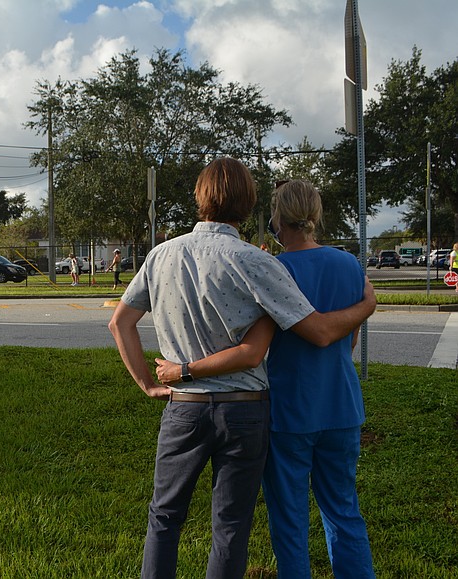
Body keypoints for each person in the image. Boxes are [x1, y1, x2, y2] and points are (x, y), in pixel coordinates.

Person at [108, 158, 376, 579]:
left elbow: (119, 322)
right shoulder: (259, 263)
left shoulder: (161, 255)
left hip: (186, 407)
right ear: (250, 204)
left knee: (164, 516)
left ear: (199, 196)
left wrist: (148, 381)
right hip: (248, 409)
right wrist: (367, 306)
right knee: (232, 526)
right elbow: (299, 339)